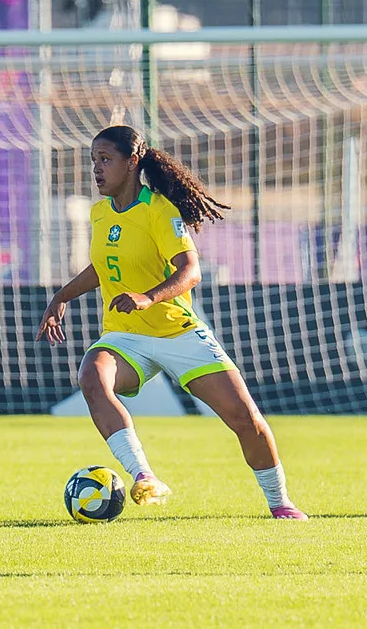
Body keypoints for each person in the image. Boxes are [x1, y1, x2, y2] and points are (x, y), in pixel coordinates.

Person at [36, 125, 307, 520]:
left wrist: (148, 297)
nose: (97, 169)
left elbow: (191, 271)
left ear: (132, 163)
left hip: (178, 333)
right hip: (125, 336)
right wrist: (61, 296)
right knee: (92, 378)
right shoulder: (99, 213)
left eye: (105, 160)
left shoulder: (161, 211)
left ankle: (280, 502)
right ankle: (143, 475)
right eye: (93, 160)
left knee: (245, 419)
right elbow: (102, 266)